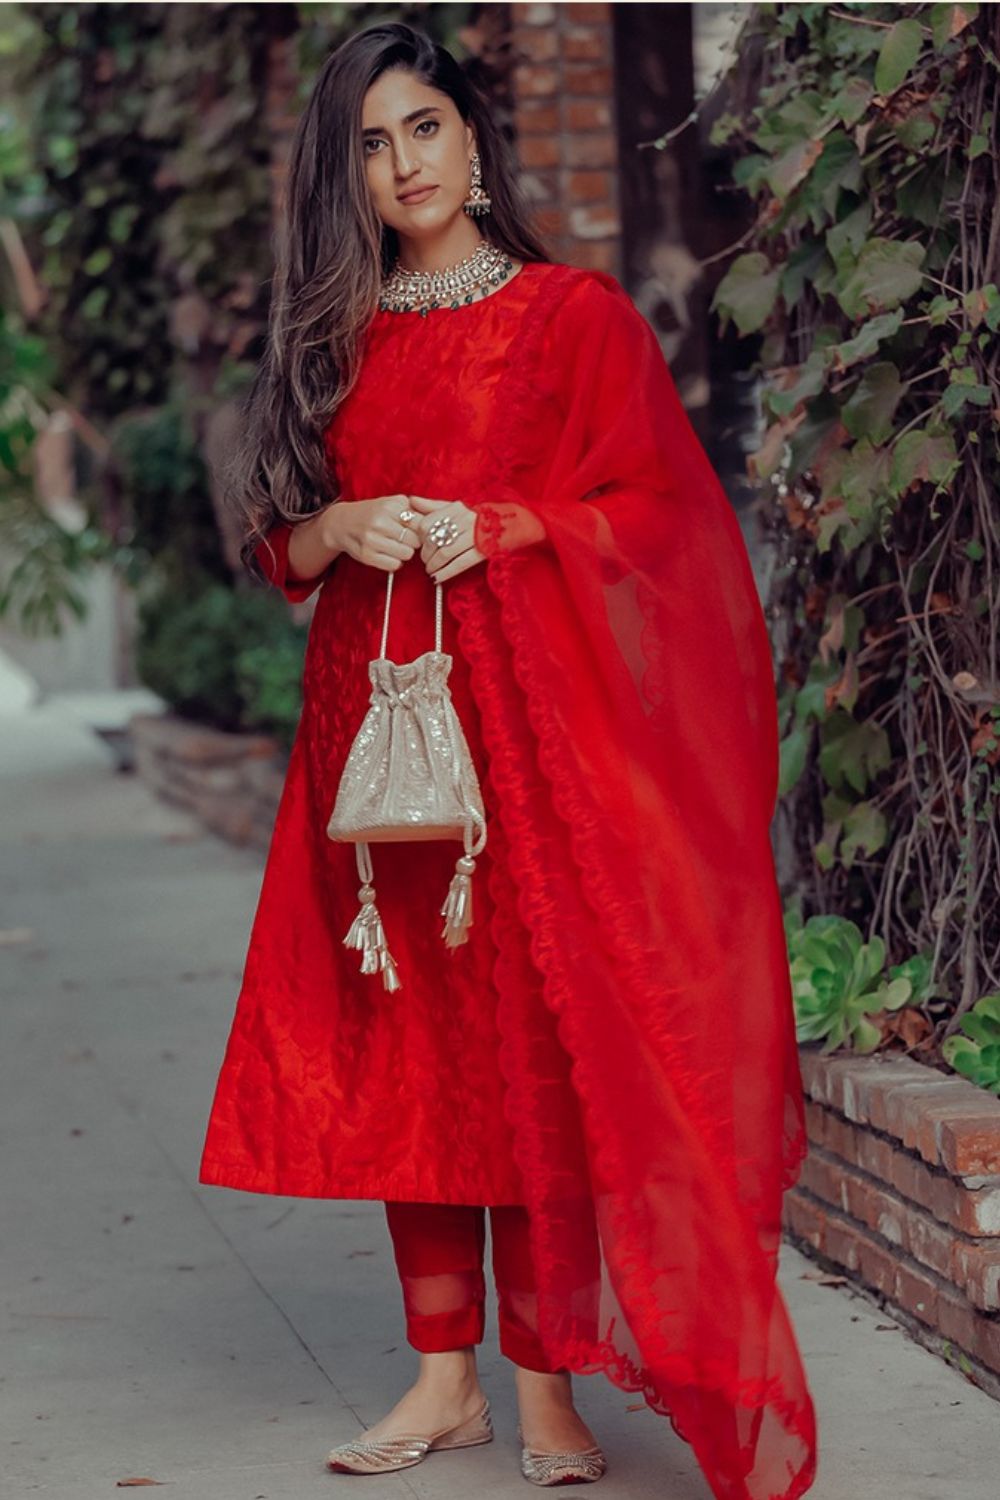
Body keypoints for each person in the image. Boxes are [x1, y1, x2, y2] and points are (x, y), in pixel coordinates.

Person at [198, 20, 818, 1500]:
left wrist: (517, 525)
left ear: (474, 136)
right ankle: (442, 1386)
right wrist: (337, 532)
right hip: (381, 740)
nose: (402, 165)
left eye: (423, 128)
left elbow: (667, 521)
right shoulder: (331, 330)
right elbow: (272, 536)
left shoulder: (570, 318)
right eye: (369, 142)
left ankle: (547, 1389)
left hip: (531, 741)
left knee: (531, 1050)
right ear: (341, 169)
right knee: (415, 1048)